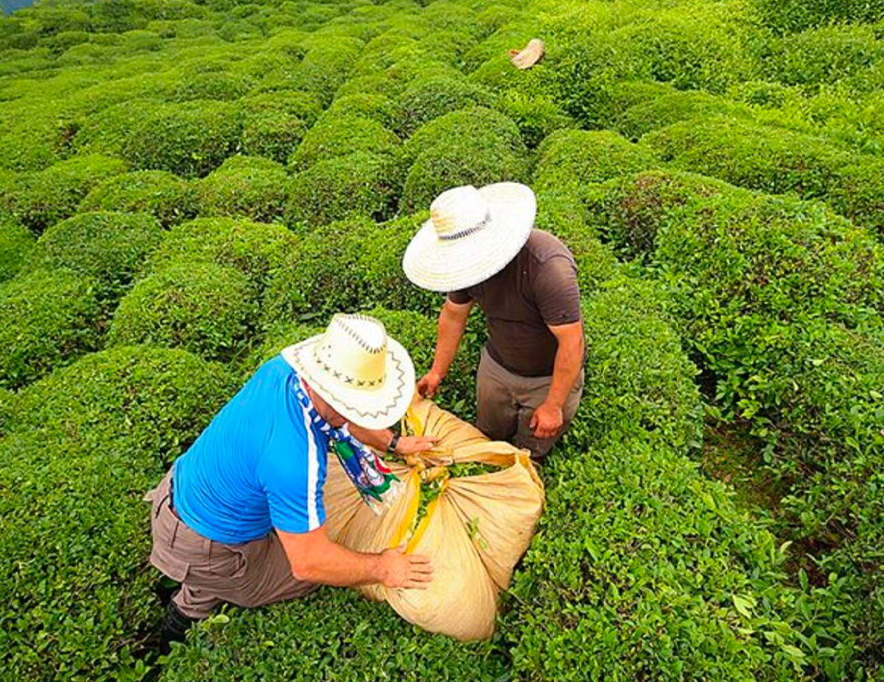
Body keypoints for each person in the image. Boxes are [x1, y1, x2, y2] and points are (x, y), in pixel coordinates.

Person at [146, 313, 438, 649]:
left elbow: (343, 412)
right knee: (318, 575)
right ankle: (182, 616)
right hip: (205, 543)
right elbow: (310, 564)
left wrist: (393, 444)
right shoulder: (295, 458)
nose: (359, 412)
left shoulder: (282, 371)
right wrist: (384, 568)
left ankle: (195, 582)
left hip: (184, 490)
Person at [402, 183, 584, 462]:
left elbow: (572, 342)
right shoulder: (465, 267)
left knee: (529, 451)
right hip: (497, 366)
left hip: (546, 376)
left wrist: (553, 404)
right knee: (485, 435)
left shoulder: (548, 268)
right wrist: (437, 371)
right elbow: (453, 315)